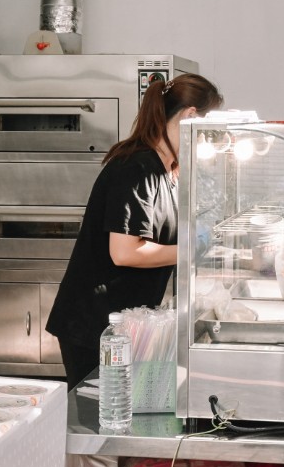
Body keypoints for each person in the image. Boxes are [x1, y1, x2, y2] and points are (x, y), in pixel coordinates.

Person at [46, 73, 223, 388]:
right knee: (98, 424)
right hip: (97, 325)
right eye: (207, 132)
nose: (206, 141)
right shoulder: (136, 168)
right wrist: (190, 250)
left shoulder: (165, 170)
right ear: (191, 116)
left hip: (125, 323)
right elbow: (125, 251)